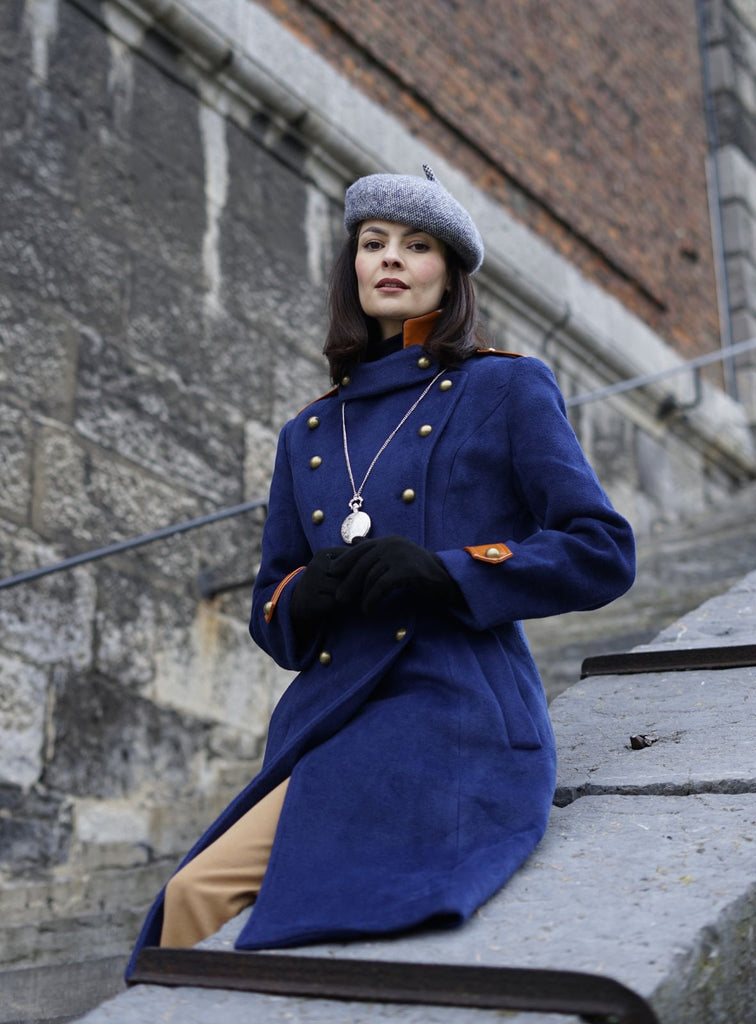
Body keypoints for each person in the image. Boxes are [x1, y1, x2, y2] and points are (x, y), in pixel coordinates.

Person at [127, 165, 635, 970]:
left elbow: (602, 549)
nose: (391, 258)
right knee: (191, 898)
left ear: (449, 274)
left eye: (417, 245)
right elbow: (270, 610)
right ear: (353, 266)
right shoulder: (307, 432)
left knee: (219, 898)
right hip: (328, 715)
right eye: (373, 243)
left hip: (455, 710)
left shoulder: (505, 386)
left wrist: (451, 572)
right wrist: (310, 592)